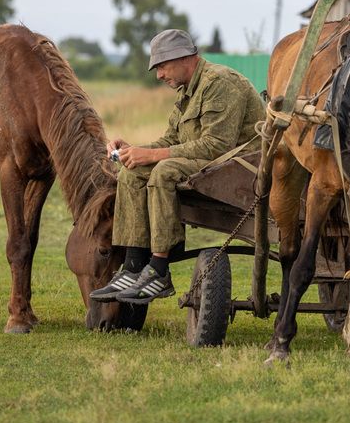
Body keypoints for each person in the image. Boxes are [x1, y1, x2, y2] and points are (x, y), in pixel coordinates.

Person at [90, 29, 265, 305]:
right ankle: (134, 266)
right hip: (211, 164)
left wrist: (152, 156)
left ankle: (159, 270)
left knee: (163, 172)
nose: (159, 75)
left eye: (161, 66)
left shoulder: (220, 82)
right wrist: (134, 150)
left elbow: (217, 146)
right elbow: (172, 140)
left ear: (185, 58)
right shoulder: (188, 90)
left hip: (240, 169)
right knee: (132, 171)